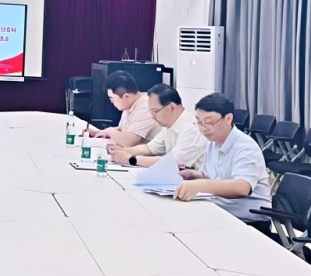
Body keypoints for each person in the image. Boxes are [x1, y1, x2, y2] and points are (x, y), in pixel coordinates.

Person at [175, 93, 272, 226]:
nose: (204, 128)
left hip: (248, 221)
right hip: (220, 211)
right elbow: (210, 175)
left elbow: (242, 187)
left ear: (228, 118)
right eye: (199, 123)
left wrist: (198, 185)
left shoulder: (245, 147)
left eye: (209, 122)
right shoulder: (212, 143)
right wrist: (193, 175)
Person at [108, 84, 207, 168]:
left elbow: (172, 162)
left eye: (155, 112)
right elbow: (150, 148)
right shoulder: (169, 125)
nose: (152, 117)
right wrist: (122, 151)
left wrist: (130, 159)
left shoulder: (192, 128)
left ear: (171, 107)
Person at [94, 71, 161, 146]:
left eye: (112, 98)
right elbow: (122, 131)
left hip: (147, 153)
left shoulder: (146, 107)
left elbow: (128, 142)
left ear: (126, 96)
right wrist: (101, 133)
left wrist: (110, 132)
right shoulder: (129, 104)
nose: (111, 102)